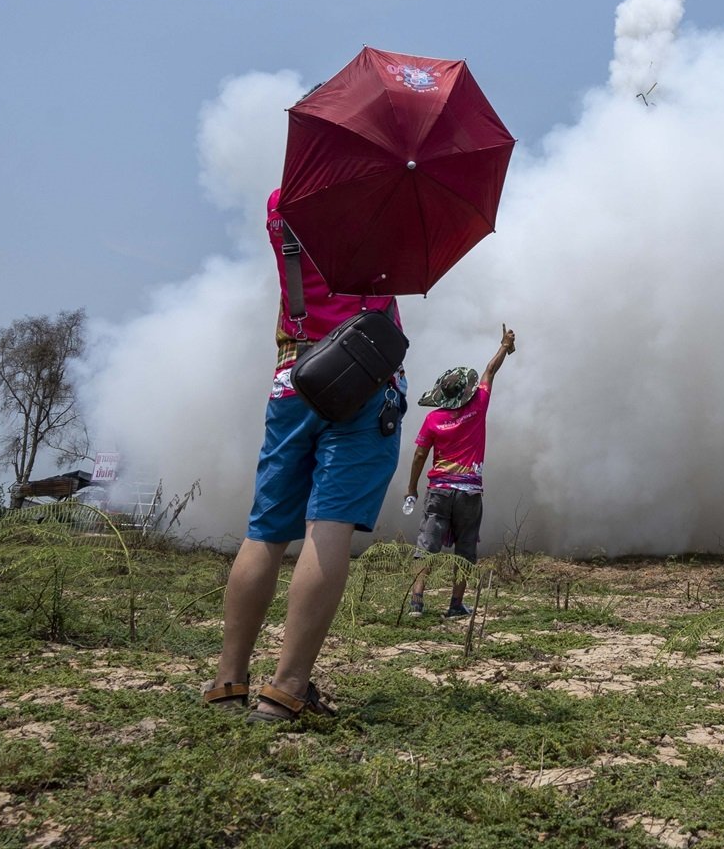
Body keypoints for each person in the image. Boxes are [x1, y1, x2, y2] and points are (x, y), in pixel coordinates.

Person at [203, 189, 408, 723]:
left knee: (265, 530)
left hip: (292, 377)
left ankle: (229, 683)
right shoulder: (381, 197)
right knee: (330, 525)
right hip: (360, 378)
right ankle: (287, 688)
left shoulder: (279, 202)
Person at [402, 326, 516, 618]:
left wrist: (412, 487)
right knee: (465, 548)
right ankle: (455, 605)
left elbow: (418, 455)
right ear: (466, 391)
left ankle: (416, 603)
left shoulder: (432, 419)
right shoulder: (478, 404)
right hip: (469, 493)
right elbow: (490, 371)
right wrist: (505, 345)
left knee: (426, 546)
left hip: (439, 491)